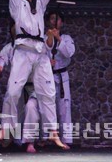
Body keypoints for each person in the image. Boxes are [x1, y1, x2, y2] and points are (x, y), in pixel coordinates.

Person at [0, 0, 69, 150]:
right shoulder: (16, 6)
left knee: (48, 92)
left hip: (40, 52)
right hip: (22, 51)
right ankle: (6, 128)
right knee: (13, 91)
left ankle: (53, 134)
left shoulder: (39, 4)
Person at [45, 10, 75, 147]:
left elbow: (69, 53)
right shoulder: (42, 37)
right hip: (46, 76)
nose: (54, 21)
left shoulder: (66, 38)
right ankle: (43, 138)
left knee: (64, 108)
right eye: (51, 18)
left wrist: (59, 39)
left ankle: (66, 139)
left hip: (62, 76)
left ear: (61, 23)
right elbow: (38, 56)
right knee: (45, 107)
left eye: (56, 19)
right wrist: (46, 62)